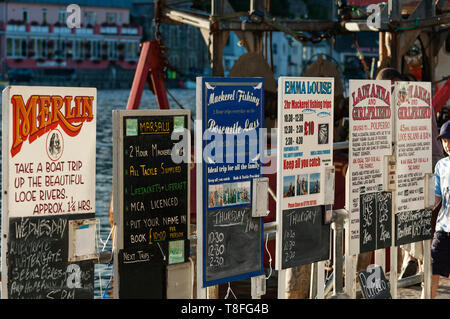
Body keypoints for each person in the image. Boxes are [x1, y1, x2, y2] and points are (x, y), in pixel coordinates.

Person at [432, 120, 450, 298]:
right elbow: (437, 196)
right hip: (443, 228)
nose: (447, 145)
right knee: (432, 267)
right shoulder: (441, 165)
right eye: (444, 141)